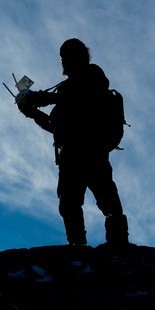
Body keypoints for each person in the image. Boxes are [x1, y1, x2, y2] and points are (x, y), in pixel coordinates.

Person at [16, 38, 129, 246]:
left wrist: (37, 99)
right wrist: (31, 112)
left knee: (105, 201)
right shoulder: (69, 88)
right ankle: (80, 247)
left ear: (79, 57)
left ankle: (116, 245)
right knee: (71, 203)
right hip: (74, 152)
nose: (63, 62)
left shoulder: (92, 77)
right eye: (62, 58)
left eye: (66, 57)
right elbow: (56, 127)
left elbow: (77, 99)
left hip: (91, 149)